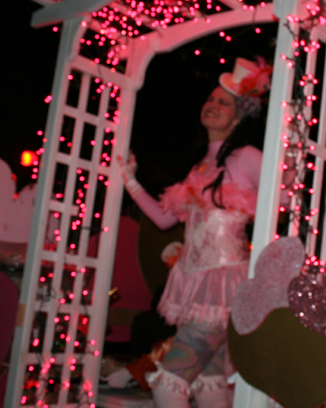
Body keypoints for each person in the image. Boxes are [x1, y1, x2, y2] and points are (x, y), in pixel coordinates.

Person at [113, 58, 271, 408]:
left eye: (223, 102)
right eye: (211, 99)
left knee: (168, 382)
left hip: (223, 292)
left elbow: (283, 198)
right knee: (210, 388)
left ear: (238, 115)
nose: (212, 105)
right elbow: (165, 219)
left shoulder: (247, 157)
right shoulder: (200, 167)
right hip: (195, 284)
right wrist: (130, 180)